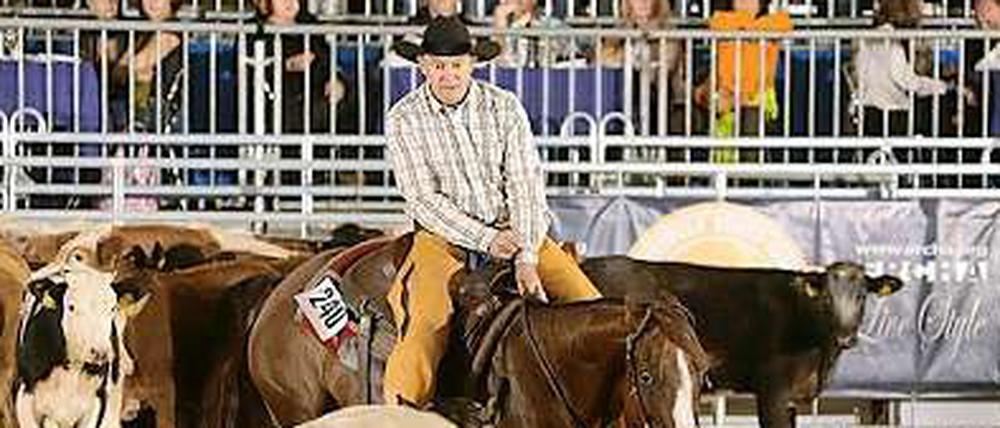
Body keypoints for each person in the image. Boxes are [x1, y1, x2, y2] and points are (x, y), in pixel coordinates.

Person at [383, 16, 602, 406]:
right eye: (438, 65)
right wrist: (486, 239)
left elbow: (526, 184)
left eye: (455, 65)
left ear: (471, 64)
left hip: (515, 230)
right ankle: (400, 413)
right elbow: (422, 199)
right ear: (423, 67)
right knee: (426, 323)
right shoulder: (404, 117)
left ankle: (607, 409)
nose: (447, 74)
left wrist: (527, 254)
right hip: (441, 239)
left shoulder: (504, 107)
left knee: (590, 305)